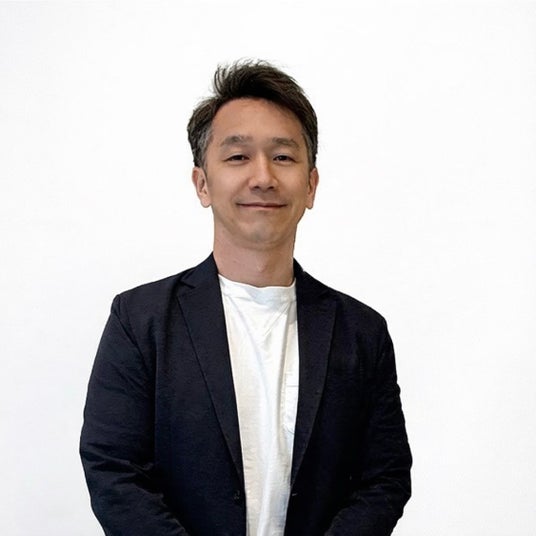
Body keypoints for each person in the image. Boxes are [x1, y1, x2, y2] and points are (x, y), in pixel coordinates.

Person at [80, 60, 412, 536]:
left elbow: (384, 479)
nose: (262, 177)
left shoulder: (361, 332)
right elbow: (114, 471)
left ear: (311, 185)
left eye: (283, 157)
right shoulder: (141, 321)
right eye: (237, 157)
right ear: (202, 183)